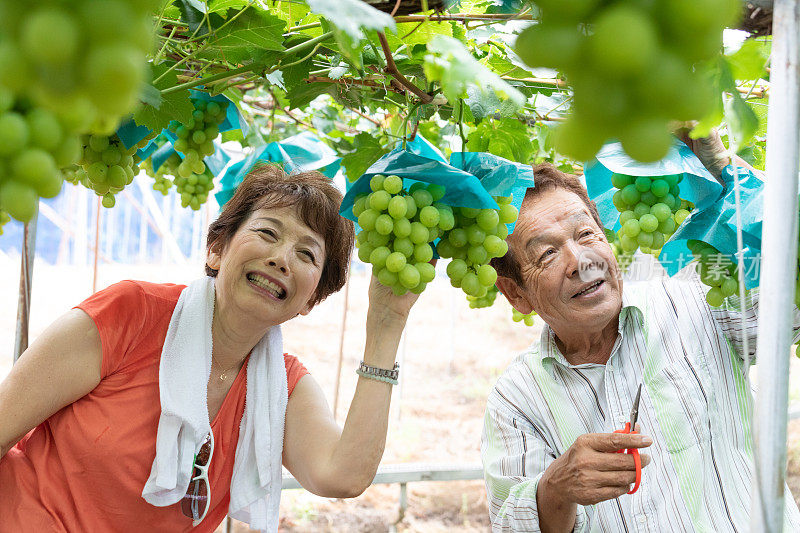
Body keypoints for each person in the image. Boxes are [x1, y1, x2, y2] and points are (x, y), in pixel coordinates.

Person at [0, 164, 419, 532]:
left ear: (311, 299)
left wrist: (387, 323)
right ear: (217, 250)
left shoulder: (282, 387)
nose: (281, 258)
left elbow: (341, 476)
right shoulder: (130, 314)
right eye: (267, 232)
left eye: (306, 253)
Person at [480, 157, 800, 531]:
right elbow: (511, 523)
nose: (580, 261)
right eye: (547, 253)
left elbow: (792, 296)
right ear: (516, 293)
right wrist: (555, 488)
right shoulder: (516, 399)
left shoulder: (701, 306)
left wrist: (726, 172)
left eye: (586, 234)